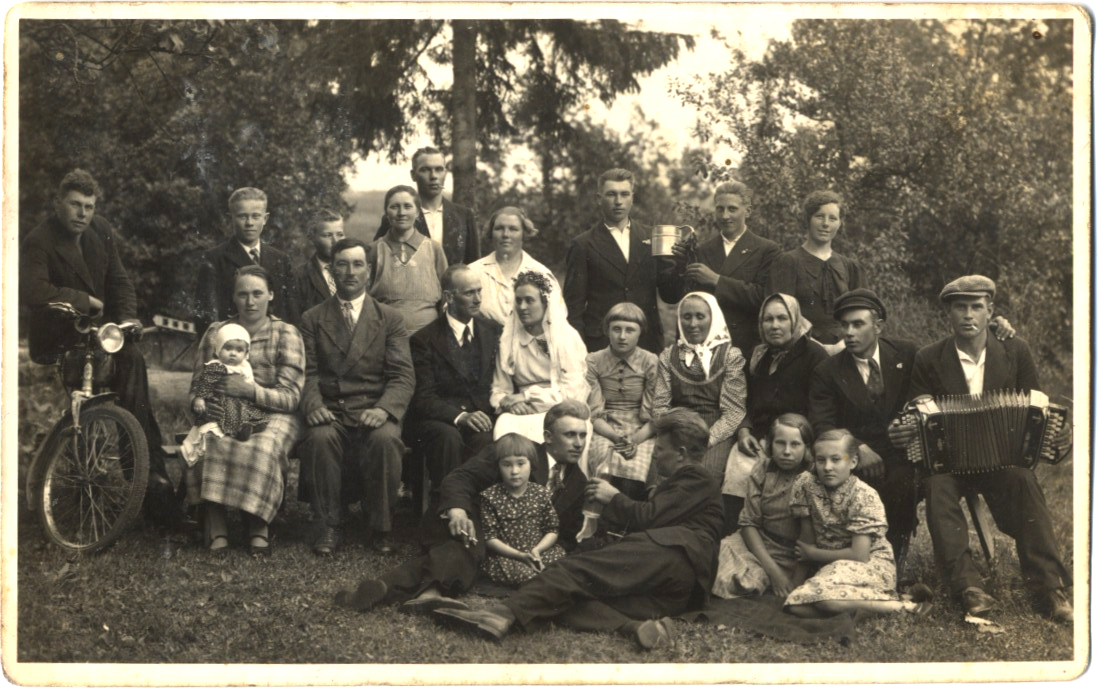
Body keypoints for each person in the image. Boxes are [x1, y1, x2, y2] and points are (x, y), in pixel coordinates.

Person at [432, 408, 724, 651]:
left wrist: (613, 497)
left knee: (572, 570)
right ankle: (636, 629)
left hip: (674, 555)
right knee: (575, 595)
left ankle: (502, 614)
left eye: (660, 450)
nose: (655, 457)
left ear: (682, 453)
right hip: (677, 585)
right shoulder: (683, 481)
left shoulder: (696, 477)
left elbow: (648, 518)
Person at [896, 275, 1072, 623]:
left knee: (1023, 481)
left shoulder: (1014, 350)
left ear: (990, 310)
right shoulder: (929, 358)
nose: (968, 315)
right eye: (960, 307)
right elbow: (913, 412)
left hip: (1002, 461)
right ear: (948, 312)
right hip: (949, 462)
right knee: (937, 487)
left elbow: (1037, 405)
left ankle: (1049, 588)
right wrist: (913, 425)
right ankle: (969, 589)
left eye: (976, 306)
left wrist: (1052, 433)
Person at [20, 169, 180, 524]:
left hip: (99, 335)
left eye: (89, 207)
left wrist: (128, 318)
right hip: (60, 337)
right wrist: (85, 301)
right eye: (75, 205)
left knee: (133, 360)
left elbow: (119, 279)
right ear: (58, 203)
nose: (82, 214)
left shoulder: (101, 231)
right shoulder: (38, 240)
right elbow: (32, 291)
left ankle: (143, 464)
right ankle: (135, 467)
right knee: (91, 396)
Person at [333, 400, 591, 613]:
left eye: (582, 435)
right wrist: (458, 510)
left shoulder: (579, 483)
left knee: (467, 552)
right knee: (469, 544)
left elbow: (565, 535)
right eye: (570, 435)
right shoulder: (516, 452)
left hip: (513, 548)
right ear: (548, 437)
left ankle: (385, 587)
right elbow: (460, 478)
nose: (578, 443)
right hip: (470, 519)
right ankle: (426, 592)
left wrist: (538, 554)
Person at [298, 238, 416, 555]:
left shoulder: (389, 318)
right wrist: (314, 405)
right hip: (332, 410)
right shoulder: (312, 318)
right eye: (342, 264)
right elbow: (306, 373)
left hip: (372, 409)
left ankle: (381, 527)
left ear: (369, 271)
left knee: (386, 439)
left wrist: (384, 410)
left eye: (358, 264)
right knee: (320, 438)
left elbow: (402, 376)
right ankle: (329, 524)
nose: (350, 272)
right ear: (331, 271)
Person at [185, 265, 306, 555]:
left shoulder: (285, 333)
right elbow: (196, 386)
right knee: (210, 438)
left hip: (276, 414)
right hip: (222, 409)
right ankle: (217, 528)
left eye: (257, 294)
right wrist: (202, 405)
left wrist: (249, 391)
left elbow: (291, 397)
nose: (250, 302)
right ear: (234, 297)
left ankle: (257, 525)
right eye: (243, 294)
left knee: (262, 445)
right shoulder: (216, 332)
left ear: (271, 295)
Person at [806, 288, 919, 567]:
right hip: (855, 456)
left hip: (903, 453)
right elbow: (823, 422)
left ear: (878, 326)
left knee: (903, 482)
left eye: (858, 324)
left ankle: (894, 561)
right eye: (845, 325)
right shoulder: (828, 371)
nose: (849, 333)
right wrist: (856, 447)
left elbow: (932, 382)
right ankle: (858, 559)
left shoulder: (907, 354)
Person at [784, 430, 931, 618]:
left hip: (869, 563)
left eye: (836, 459)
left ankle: (904, 607)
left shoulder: (863, 495)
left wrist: (812, 554)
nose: (828, 467)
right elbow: (806, 540)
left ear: (853, 462)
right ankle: (886, 600)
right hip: (830, 565)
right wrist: (796, 585)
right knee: (795, 607)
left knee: (825, 600)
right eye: (821, 460)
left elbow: (859, 555)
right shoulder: (806, 484)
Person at [725, 293, 828, 532]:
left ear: (795, 321)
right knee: (736, 474)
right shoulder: (759, 356)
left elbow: (820, 408)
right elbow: (745, 401)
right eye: (768, 319)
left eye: (782, 318)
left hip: (794, 441)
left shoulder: (815, 355)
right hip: (758, 439)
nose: (774, 325)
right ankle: (735, 538)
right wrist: (743, 430)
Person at [652, 292, 747, 518]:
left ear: (713, 318)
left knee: (702, 477)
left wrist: (705, 440)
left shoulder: (730, 356)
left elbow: (733, 412)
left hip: (713, 433)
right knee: (659, 474)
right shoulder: (668, 355)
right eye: (686, 317)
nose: (693, 324)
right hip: (675, 429)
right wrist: (674, 434)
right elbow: (659, 407)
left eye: (700, 316)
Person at [658, 180, 781, 354]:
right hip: (705, 348)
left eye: (732, 209)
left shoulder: (767, 250)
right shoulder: (702, 250)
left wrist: (717, 281)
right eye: (720, 209)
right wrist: (679, 265)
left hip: (747, 346)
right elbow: (677, 297)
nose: (724, 216)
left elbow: (765, 298)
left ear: (748, 211)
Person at [408, 265, 502, 492]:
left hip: (481, 417)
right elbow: (424, 398)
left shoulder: (492, 330)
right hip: (439, 420)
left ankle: (480, 509)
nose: (478, 299)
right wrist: (460, 416)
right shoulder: (424, 339)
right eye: (469, 293)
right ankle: (448, 506)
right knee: (447, 438)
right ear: (449, 297)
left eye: (479, 291)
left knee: (486, 439)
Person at [712, 414, 813, 599]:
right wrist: (775, 573)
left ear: (807, 448)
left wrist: (792, 580)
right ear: (769, 445)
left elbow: (809, 538)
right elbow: (749, 523)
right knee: (710, 562)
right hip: (757, 544)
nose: (787, 451)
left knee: (740, 581)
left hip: (792, 554)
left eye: (795, 444)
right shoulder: (762, 469)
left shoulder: (812, 478)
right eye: (780, 443)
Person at [564, 168, 662, 353]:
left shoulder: (652, 236)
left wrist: (677, 263)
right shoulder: (583, 244)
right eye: (611, 194)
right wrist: (579, 351)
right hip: (601, 344)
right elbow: (573, 309)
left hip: (646, 341)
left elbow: (669, 294)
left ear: (632, 197)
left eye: (624, 194)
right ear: (598, 199)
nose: (618, 202)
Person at [490, 270, 589, 442]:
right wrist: (512, 404)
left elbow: (573, 392)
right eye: (519, 300)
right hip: (521, 410)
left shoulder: (566, 338)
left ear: (546, 303)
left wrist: (527, 397)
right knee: (505, 429)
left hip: (563, 409)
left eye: (529, 300)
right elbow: (499, 389)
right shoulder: (508, 339)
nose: (522, 307)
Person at [767, 190, 863, 353]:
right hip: (801, 350)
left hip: (845, 349)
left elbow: (862, 313)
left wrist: (843, 345)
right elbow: (782, 314)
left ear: (840, 223)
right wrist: (816, 349)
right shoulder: (788, 262)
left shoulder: (850, 266)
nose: (826, 224)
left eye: (833, 218)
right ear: (807, 220)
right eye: (819, 216)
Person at [194, 187, 299, 334]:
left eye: (256, 216)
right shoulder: (215, 259)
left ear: (265, 219)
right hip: (233, 346)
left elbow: (292, 313)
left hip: (274, 344)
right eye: (242, 216)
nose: (249, 223)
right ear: (231, 218)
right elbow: (207, 315)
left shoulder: (280, 259)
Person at [585, 302, 660, 501]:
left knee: (639, 461)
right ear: (607, 330)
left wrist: (635, 439)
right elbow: (594, 412)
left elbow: (655, 413)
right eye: (616, 329)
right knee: (602, 455)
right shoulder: (594, 361)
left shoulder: (650, 361)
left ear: (640, 332)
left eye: (630, 330)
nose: (622, 336)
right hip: (606, 425)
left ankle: (629, 518)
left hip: (641, 426)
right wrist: (616, 438)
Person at [480, 434, 568, 586]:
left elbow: (552, 529)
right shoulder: (490, 496)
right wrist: (520, 556)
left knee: (564, 564)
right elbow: (490, 538)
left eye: (521, 464)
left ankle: (549, 582)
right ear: (498, 466)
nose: (514, 471)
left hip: (538, 551)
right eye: (507, 465)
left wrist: (537, 550)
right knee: (527, 575)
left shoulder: (540, 493)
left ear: (531, 465)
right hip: (509, 556)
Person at [374, 146, 480, 266]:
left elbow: (474, 265)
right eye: (425, 170)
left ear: (445, 173)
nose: (433, 176)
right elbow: (376, 259)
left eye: (439, 169)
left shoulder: (464, 216)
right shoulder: (397, 217)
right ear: (413, 175)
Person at [180, 323, 268, 465]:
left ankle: (252, 425)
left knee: (254, 413)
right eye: (228, 348)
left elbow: (251, 384)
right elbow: (205, 383)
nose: (233, 353)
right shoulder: (217, 366)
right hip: (222, 401)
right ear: (218, 351)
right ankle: (238, 430)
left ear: (246, 354)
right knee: (229, 414)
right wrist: (200, 399)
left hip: (241, 401)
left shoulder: (244, 367)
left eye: (239, 350)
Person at [368, 185, 449, 334]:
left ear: (418, 212)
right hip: (385, 335)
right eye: (394, 207)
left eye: (407, 206)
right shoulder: (374, 250)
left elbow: (447, 295)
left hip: (428, 337)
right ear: (386, 213)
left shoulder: (434, 249)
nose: (401, 213)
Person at [468, 206, 563, 327]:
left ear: (524, 234)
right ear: (491, 233)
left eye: (513, 229)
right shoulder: (472, 272)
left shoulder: (541, 274)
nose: (506, 234)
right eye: (499, 228)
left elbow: (557, 320)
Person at [294, 209, 346, 315]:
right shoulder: (300, 276)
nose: (335, 241)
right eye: (327, 235)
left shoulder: (354, 271)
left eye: (340, 234)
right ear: (313, 238)